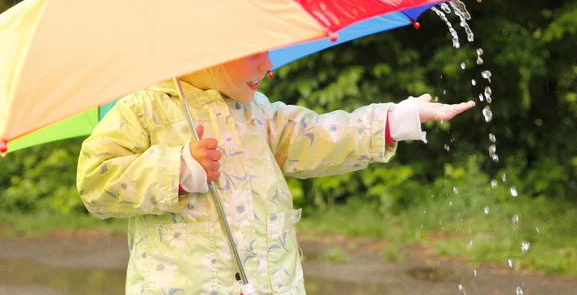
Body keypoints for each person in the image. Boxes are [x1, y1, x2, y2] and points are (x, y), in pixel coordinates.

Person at [77, 51, 475, 295]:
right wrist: (178, 168)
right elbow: (96, 180)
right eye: (253, 53)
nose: (267, 64)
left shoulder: (259, 113)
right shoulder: (144, 109)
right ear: (213, 53)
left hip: (270, 285)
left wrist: (396, 119)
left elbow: (318, 136)